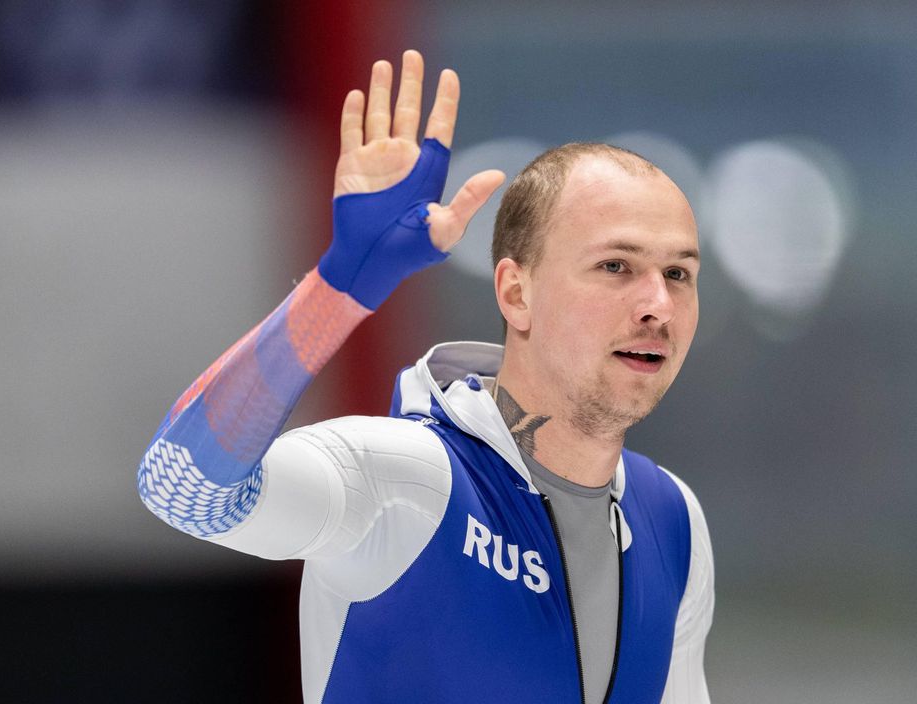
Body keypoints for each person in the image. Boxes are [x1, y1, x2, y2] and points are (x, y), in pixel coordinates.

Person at [138, 50, 713, 704]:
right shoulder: (401, 479)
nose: (657, 306)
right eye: (615, 266)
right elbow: (180, 487)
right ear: (516, 294)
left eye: (678, 274)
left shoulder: (674, 521)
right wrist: (341, 286)